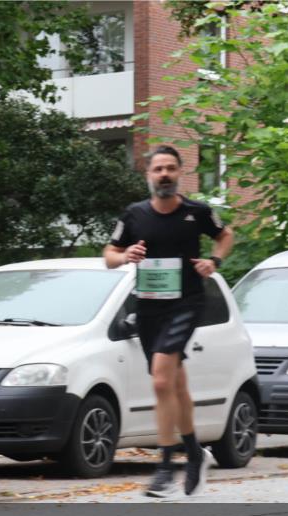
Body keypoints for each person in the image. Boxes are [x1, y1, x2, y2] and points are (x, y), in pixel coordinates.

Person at [103, 145, 235, 498]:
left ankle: (164, 468)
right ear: (148, 175)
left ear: (180, 173)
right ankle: (194, 453)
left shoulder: (197, 212)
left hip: (187, 303)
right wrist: (124, 255)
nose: (164, 174)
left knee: (161, 381)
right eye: (158, 169)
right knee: (175, 383)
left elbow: (225, 236)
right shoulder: (134, 215)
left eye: (170, 168)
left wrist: (214, 261)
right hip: (148, 308)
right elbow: (108, 255)